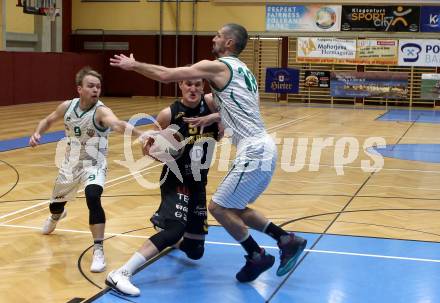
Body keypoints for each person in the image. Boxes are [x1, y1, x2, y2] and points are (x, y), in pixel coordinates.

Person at [109, 23, 306, 288]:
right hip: (265, 147)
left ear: (228, 43)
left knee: (218, 208)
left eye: (218, 35)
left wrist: (135, 66)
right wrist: (214, 116)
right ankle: (282, 240)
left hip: (253, 148)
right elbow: (248, 107)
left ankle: (258, 254)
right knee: (234, 209)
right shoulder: (244, 70)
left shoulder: (218, 66)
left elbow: (167, 74)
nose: (213, 38)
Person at [105, 78, 220, 296]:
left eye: (197, 84)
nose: (193, 88)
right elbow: (147, 149)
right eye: (188, 84)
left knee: (195, 251)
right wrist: (162, 150)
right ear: (180, 86)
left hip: (198, 183)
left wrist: (217, 120)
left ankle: (164, 229)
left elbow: (238, 112)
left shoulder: (212, 105)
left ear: (203, 87)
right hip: (175, 179)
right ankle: (121, 273)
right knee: (176, 229)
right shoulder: (169, 114)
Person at [29, 66, 144, 273]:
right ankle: (56, 216)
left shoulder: (101, 111)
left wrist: (140, 134)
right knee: (55, 206)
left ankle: (98, 249)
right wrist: (37, 133)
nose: (95, 90)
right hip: (70, 165)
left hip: (94, 164)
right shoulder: (67, 106)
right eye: (90, 86)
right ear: (79, 89)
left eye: (98, 86)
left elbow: (117, 125)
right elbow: (47, 120)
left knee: (93, 196)